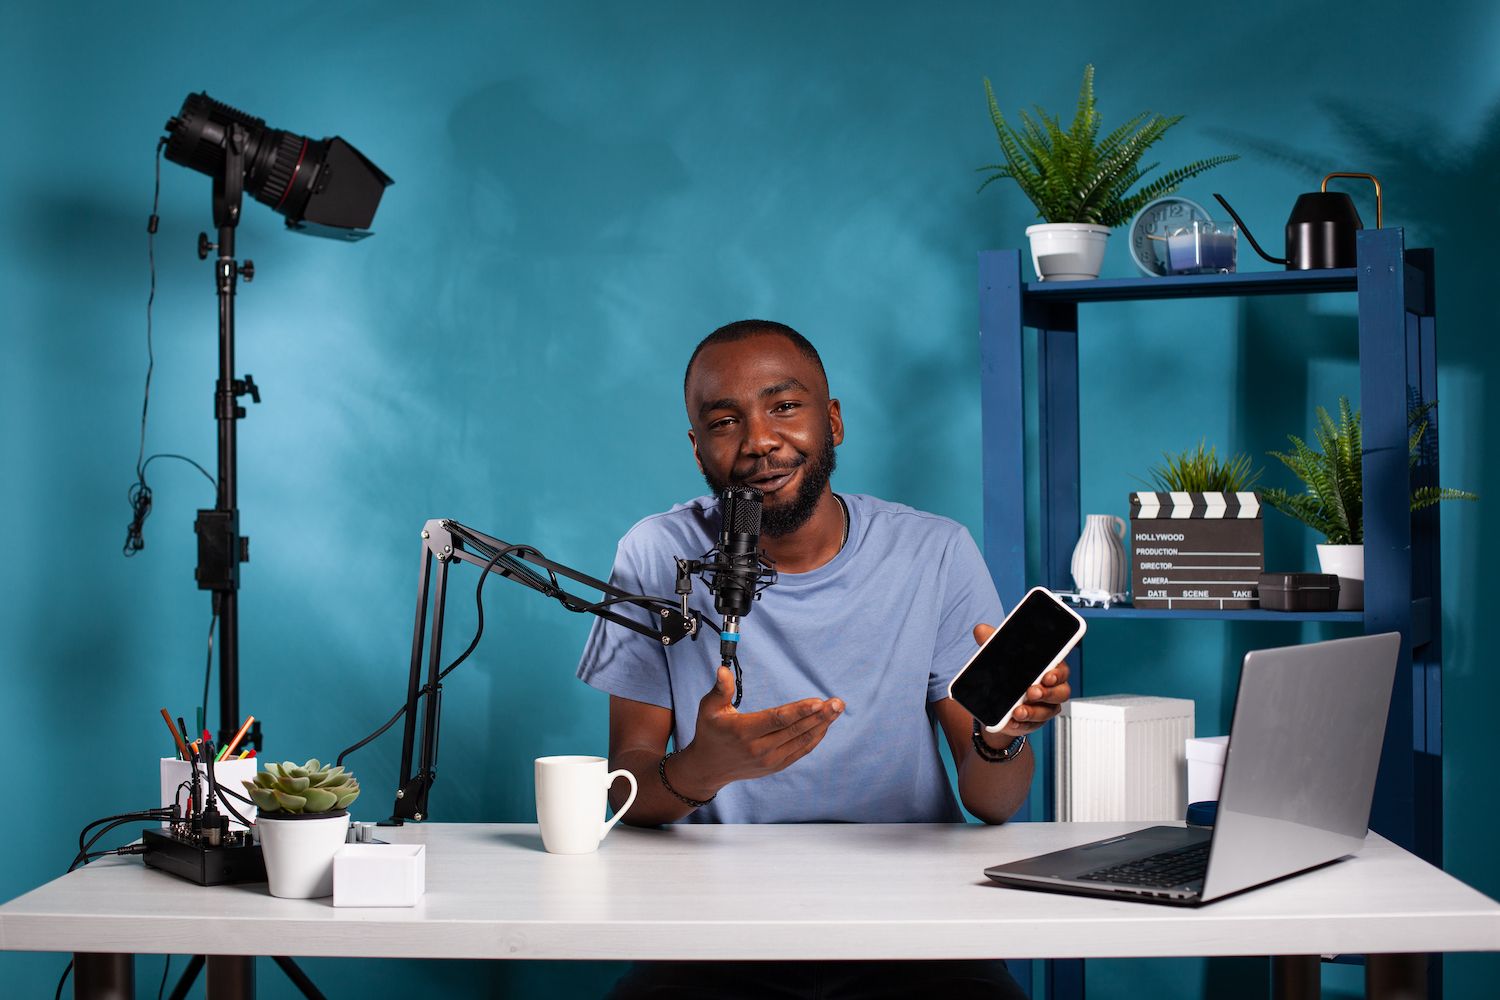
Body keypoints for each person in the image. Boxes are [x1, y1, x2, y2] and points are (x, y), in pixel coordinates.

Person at [576, 319, 1071, 998]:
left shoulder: (934, 552)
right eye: (725, 422)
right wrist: (704, 768)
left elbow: (995, 805)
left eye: (784, 406)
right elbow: (626, 789)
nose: (759, 442)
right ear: (698, 449)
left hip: (913, 933)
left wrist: (996, 741)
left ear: (833, 420)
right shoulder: (657, 554)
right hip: (714, 933)